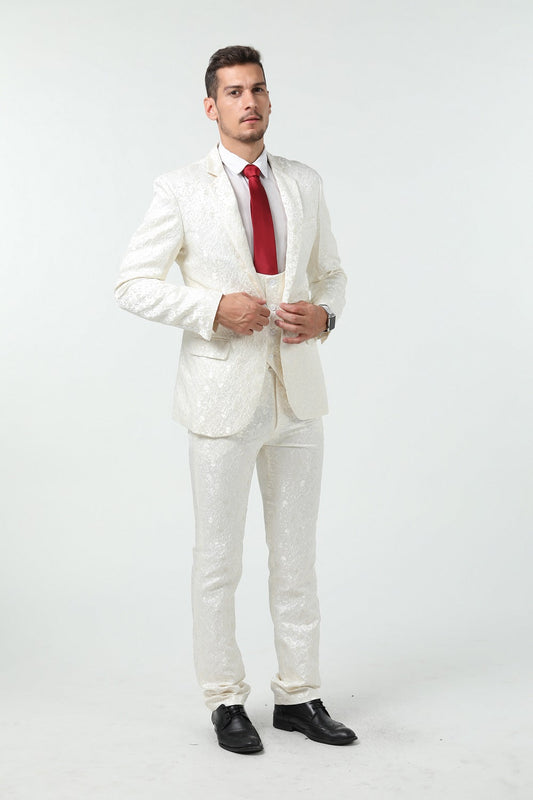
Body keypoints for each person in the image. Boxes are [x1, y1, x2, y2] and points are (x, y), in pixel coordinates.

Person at [115, 45, 356, 754]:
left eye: (257, 89)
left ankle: (299, 694)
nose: (248, 102)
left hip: (297, 394)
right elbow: (131, 283)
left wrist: (325, 315)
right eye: (233, 92)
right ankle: (225, 699)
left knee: (297, 557)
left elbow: (332, 273)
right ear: (210, 106)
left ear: (269, 100)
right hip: (221, 396)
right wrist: (213, 307)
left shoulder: (303, 182)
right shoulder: (179, 188)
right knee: (218, 560)